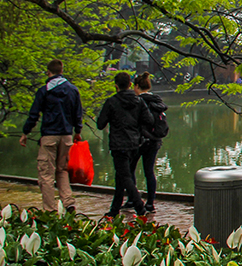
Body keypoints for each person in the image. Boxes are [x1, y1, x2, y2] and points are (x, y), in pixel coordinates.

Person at [19, 60, 84, 213]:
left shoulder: (44, 91)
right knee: (62, 170)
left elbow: (34, 114)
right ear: (62, 71)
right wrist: (78, 131)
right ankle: (68, 203)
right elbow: (78, 113)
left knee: (46, 174)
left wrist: (25, 132)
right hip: (67, 136)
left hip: (49, 135)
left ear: (48, 72)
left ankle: (50, 209)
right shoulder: (73, 90)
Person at [97, 71, 153, 219]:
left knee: (125, 176)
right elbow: (149, 120)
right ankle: (115, 209)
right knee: (121, 175)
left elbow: (100, 124)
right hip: (134, 144)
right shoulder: (138, 101)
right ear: (130, 85)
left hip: (118, 144)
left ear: (116, 86)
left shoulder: (111, 102)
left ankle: (139, 207)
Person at [128, 72, 167, 213]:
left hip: (139, 140)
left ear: (136, 86)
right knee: (149, 171)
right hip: (155, 140)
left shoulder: (137, 101)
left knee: (131, 169)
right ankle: (150, 202)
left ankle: (132, 198)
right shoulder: (157, 102)